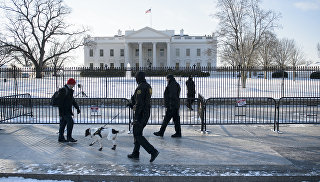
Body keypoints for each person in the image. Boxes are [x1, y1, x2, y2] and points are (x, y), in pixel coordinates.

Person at [127, 71, 159, 162]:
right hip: (145, 113)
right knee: (137, 133)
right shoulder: (148, 86)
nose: (135, 79)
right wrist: (132, 104)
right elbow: (142, 100)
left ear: (139, 78)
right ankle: (135, 153)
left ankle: (153, 151)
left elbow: (140, 103)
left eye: (136, 77)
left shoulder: (141, 87)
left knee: (137, 134)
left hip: (141, 114)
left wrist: (136, 117)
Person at [58, 78, 81, 143]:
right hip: (64, 111)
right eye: (73, 84)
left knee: (63, 124)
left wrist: (77, 108)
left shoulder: (69, 90)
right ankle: (69, 137)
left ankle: (61, 138)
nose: (74, 86)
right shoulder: (63, 90)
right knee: (70, 122)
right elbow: (60, 102)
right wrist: (61, 112)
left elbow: (72, 100)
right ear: (70, 84)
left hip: (67, 110)